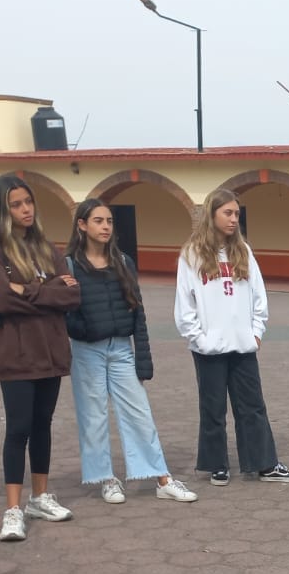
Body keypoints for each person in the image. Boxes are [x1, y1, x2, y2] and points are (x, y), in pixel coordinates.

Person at [65, 199, 197, 505]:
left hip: (122, 348)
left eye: (109, 221)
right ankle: (106, 479)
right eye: (98, 221)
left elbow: (137, 311)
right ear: (81, 225)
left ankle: (162, 478)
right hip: (87, 351)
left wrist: (143, 357)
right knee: (93, 417)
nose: (105, 227)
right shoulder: (69, 264)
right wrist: (80, 330)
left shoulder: (123, 261)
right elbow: (64, 310)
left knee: (139, 413)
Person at [0, 175, 82, 543]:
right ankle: (12, 510)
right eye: (16, 204)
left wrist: (28, 289)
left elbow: (72, 295)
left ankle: (39, 497)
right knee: (17, 429)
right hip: (15, 352)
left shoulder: (44, 245)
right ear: (2, 210)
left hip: (50, 351)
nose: (25, 210)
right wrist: (48, 289)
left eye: (28, 202)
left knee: (43, 425)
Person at [173, 189, 289, 486]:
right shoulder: (191, 254)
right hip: (208, 349)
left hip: (243, 346)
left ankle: (264, 464)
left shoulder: (243, 250)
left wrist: (256, 333)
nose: (233, 220)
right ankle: (217, 464)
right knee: (213, 408)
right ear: (212, 215)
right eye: (227, 213)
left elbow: (259, 296)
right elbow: (185, 303)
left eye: (237, 214)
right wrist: (199, 339)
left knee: (253, 406)